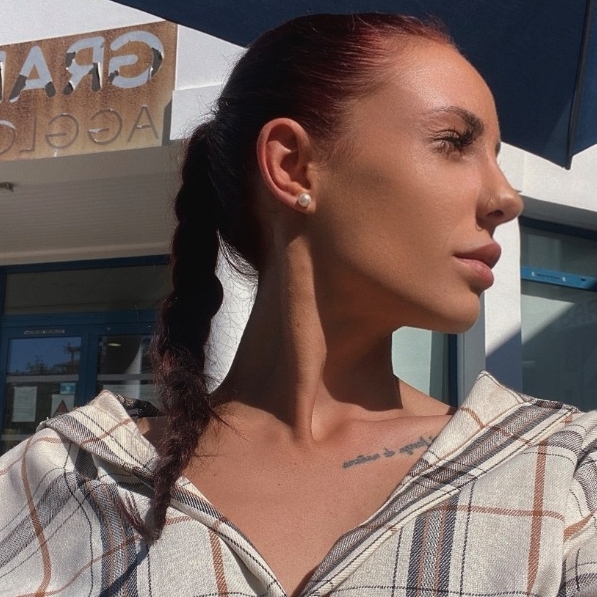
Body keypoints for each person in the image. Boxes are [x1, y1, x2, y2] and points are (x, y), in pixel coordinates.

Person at [1, 12, 596, 597]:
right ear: (293, 166)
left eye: (495, 154)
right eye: (453, 143)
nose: (506, 197)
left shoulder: (559, 474)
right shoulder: (61, 477)